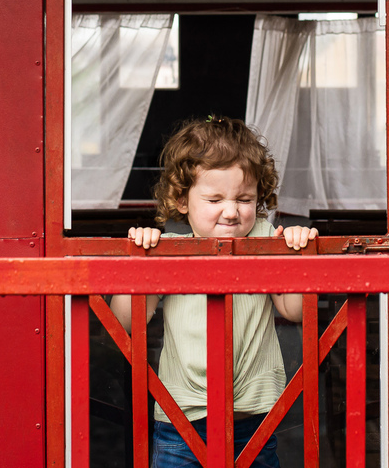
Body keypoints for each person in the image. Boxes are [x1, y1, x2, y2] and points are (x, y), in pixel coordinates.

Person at [110, 116, 317, 468]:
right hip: (180, 422)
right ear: (182, 200)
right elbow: (126, 321)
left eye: (245, 198)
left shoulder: (266, 240)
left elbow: (294, 310)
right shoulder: (168, 249)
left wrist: (298, 255)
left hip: (253, 421)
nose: (231, 212)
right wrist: (140, 264)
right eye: (214, 199)